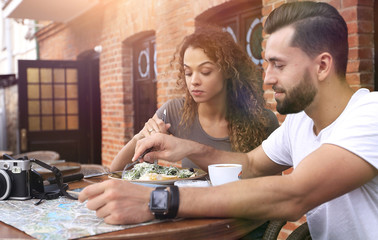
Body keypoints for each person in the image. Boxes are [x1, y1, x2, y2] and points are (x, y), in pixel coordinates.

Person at [79, 2, 378, 240]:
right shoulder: (299, 123)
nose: (269, 77)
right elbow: (248, 166)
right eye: (267, 63)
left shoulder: (370, 115)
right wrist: (187, 148)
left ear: (323, 65)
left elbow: (294, 194)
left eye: (279, 65)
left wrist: (156, 200)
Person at [110, 25, 278, 171]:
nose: (194, 81)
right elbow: (114, 171)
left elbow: (275, 186)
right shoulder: (174, 112)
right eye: (188, 73)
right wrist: (140, 137)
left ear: (227, 71)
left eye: (205, 72)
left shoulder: (262, 121)